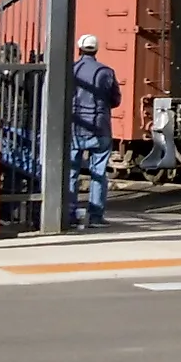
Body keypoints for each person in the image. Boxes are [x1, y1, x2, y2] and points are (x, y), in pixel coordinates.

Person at [67, 33, 121, 230]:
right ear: (96, 50)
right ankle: (96, 216)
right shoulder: (106, 71)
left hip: (75, 127)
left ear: (79, 49)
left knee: (71, 171)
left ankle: (70, 213)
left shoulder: (71, 70)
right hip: (100, 127)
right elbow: (115, 100)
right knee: (98, 172)